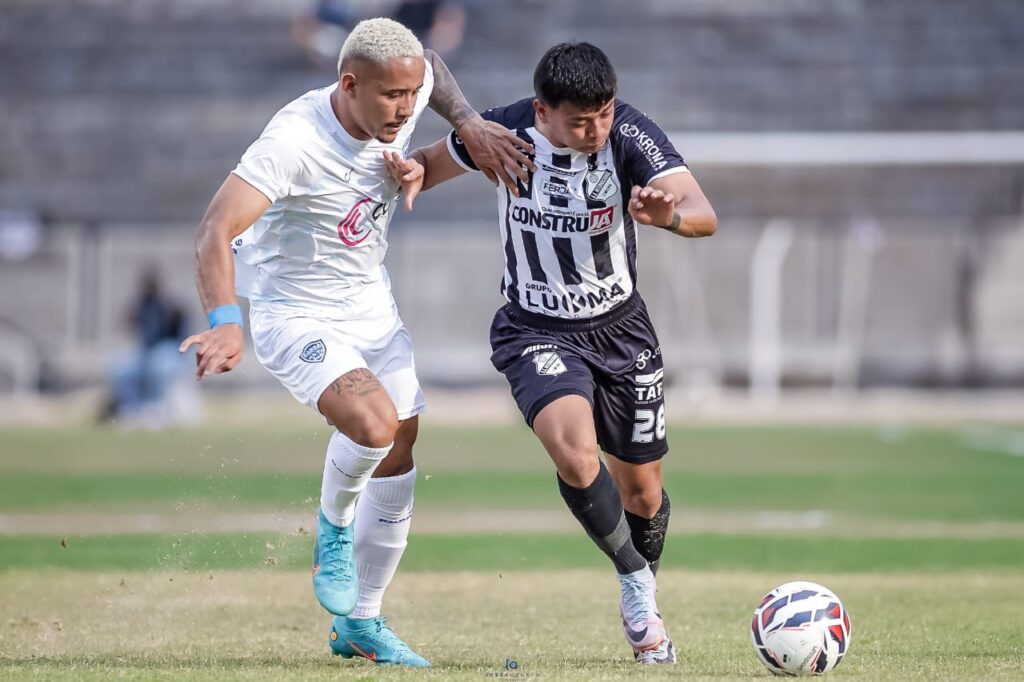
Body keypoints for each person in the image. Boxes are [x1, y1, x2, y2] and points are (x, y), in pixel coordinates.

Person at [179, 17, 532, 667]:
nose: (406, 109)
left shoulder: (404, 84)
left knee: (400, 449)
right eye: (392, 98)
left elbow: (426, 62)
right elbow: (214, 227)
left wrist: (470, 126)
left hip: (371, 306)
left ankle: (361, 623)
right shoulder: (293, 143)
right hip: (297, 314)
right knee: (373, 425)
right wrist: (227, 319)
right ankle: (332, 534)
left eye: (411, 95)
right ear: (349, 83)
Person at [388, 41, 717, 664]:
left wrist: (667, 217)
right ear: (543, 111)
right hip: (535, 328)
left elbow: (704, 213)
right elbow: (427, 165)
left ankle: (642, 581)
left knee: (643, 494)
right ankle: (633, 581)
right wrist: (406, 174)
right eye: (580, 120)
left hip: (621, 330)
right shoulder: (504, 131)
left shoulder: (629, 136)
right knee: (573, 448)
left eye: (604, 114)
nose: (595, 130)